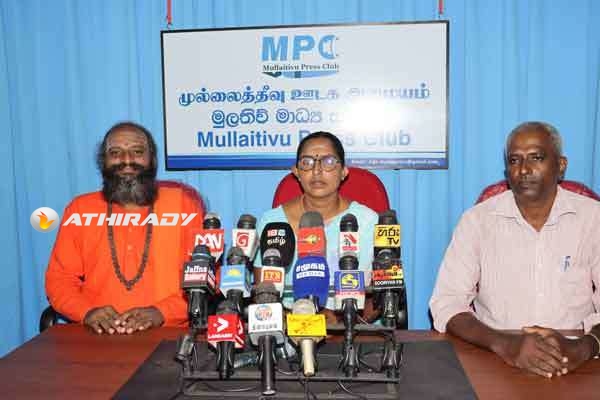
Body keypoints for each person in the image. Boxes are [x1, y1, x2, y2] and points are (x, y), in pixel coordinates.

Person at [430, 121, 600, 378]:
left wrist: (582, 348)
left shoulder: (593, 219)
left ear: (561, 165)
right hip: (496, 361)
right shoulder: (477, 221)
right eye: (514, 160)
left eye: (536, 157)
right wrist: (505, 344)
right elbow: (446, 302)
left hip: (577, 361)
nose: (523, 169)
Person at [45, 122, 205, 334]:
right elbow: (60, 280)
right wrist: (87, 312)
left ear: (152, 160)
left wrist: (161, 312)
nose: (127, 160)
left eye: (137, 152)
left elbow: (205, 278)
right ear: (103, 161)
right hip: (97, 335)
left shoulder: (184, 205)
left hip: (168, 333)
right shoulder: (80, 209)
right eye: (115, 153)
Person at [255, 131, 379, 323]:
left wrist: (338, 322)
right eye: (307, 162)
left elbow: (380, 297)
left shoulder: (367, 221)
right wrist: (297, 322)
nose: (317, 171)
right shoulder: (272, 223)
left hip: (349, 328)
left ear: (344, 171)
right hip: (287, 328)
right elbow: (263, 294)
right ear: (296, 171)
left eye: (328, 162)